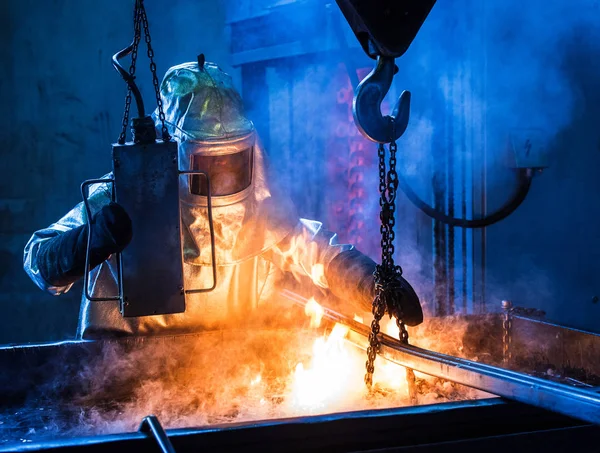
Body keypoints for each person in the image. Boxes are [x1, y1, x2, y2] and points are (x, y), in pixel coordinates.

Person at [23, 60, 423, 339]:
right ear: (173, 152)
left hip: (224, 374)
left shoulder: (258, 205)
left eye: (235, 158)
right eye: (210, 162)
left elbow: (316, 252)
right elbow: (38, 260)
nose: (226, 175)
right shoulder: (126, 196)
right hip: (123, 376)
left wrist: (371, 280)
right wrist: (86, 243)